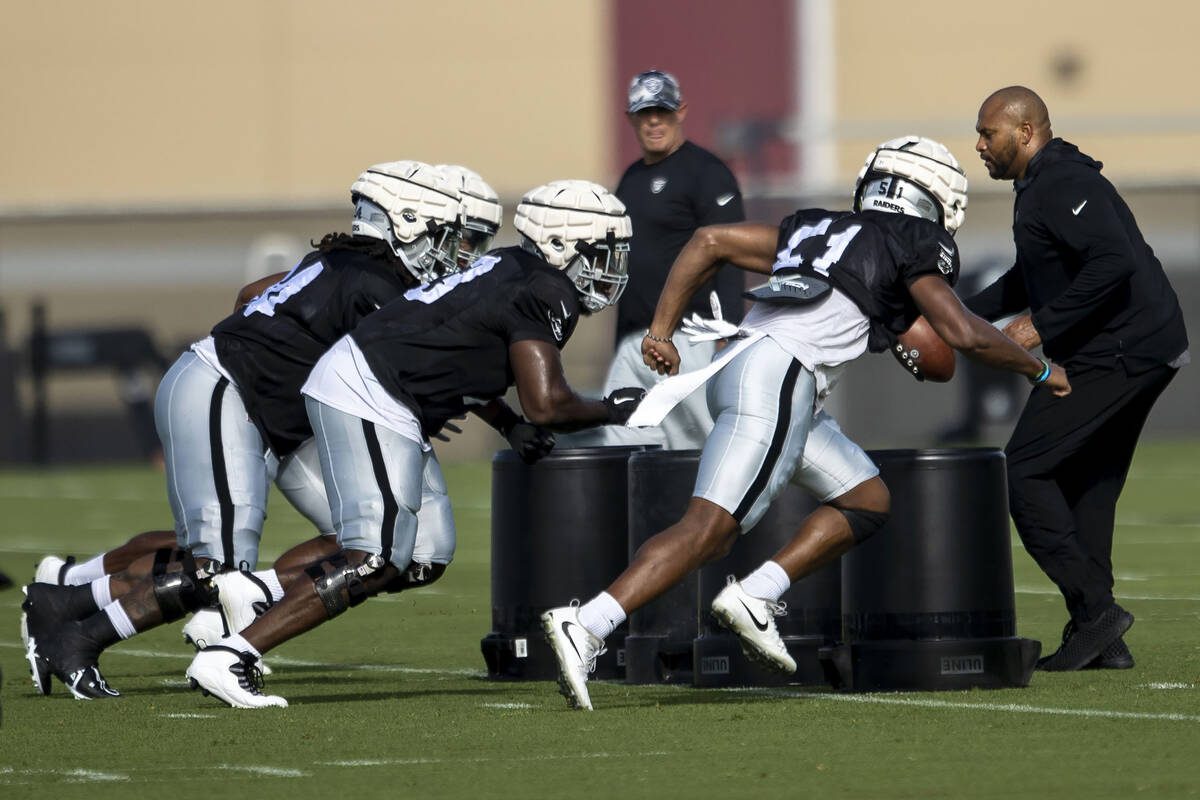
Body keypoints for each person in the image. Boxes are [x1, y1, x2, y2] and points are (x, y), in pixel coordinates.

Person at [540, 136, 1072, 711]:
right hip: (781, 379)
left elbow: (710, 240)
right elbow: (962, 337)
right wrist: (1040, 369)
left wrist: (660, 331)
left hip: (743, 367)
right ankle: (588, 622)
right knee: (709, 530)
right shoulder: (912, 239)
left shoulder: (819, 228)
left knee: (866, 498)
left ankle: (758, 594)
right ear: (933, 198)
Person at [19, 160, 504, 699]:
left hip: (276, 414)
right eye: (445, 236)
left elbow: (253, 292)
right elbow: (417, 364)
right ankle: (78, 635)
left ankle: (72, 597)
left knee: (394, 548)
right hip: (227, 393)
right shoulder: (372, 281)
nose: (452, 251)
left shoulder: (347, 265)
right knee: (212, 566)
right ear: (404, 223)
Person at [183, 179, 646, 709]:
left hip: (378, 389)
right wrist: (614, 408)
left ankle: (260, 590)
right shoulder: (546, 288)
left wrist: (509, 424)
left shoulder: (514, 267)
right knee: (373, 557)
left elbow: (462, 349)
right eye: (602, 253)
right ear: (563, 245)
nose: (610, 267)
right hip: (371, 393)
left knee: (425, 553)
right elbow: (549, 403)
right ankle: (231, 655)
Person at [968, 86, 1188, 672]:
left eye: (988, 134)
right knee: (1087, 484)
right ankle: (1103, 640)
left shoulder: (1062, 180)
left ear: (1025, 132)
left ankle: (1096, 614)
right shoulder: (1038, 186)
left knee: (1025, 470)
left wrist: (1040, 326)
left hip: (1123, 352)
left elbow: (1113, 261)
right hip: (1145, 348)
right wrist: (958, 312)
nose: (980, 146)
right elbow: (1029, 275)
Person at [566, 69, 745, 450]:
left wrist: (727, 332)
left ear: (680, 112)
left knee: (701, 449)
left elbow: (731, 254)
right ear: (629, 117)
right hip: (636, 343)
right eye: (644, 112)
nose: (653, 121)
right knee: (624, 442)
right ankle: (628, 512)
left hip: (691, 339)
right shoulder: (629, 179)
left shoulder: (707, 173)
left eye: (661, 111)